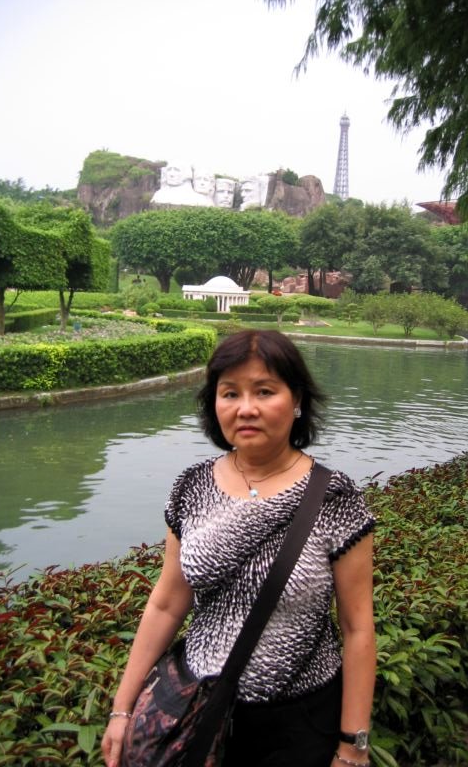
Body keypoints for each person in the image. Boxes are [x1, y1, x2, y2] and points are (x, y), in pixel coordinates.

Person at [101, 329, 376, 767]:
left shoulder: (335, 498)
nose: (246, 408)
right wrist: (122, 708)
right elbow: (167, 604)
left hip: (299, 723)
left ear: (297, 399)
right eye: (230, 393)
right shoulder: (191, 487)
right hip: (197, 708)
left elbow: (357, 628)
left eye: (264, 391)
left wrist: (352, 746)